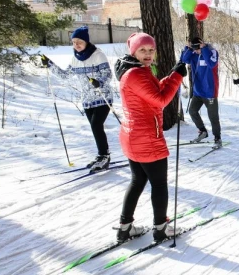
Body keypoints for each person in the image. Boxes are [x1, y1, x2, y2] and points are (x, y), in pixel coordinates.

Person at [113, 32, 187, 243]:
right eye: (142, 50)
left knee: (138, 181)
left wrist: (172, 74)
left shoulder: (136, 71)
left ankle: (125, 227)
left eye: (150, 50)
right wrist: (177, 77)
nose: (147, 54)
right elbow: (160, 99)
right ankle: (161, 228)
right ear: (133, 51)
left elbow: (151, 91)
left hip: (133, 136)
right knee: (159, 184)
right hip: (146, 137)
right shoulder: (136, 74)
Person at [40, 26, 114, 172]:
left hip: (102, 97)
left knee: (96, 125)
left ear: (86, 42)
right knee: (95, 128)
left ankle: (104, 156)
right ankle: (101, 155)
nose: (76, 45)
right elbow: (65, 75)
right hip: (87, 100)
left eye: (79, 42)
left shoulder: (98, 55)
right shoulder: (76, 58)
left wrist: (98, 81)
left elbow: (107, 74)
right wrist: (49, 64)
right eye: (74, 42)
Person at [180, 37, 222, 148]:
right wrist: (187, 48)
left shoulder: (212, 51)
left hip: (210, 92)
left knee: (213, 117)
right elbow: (184, 60)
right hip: (198, 91)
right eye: (194, 48)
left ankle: (217, 138)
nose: (196, 51)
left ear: (201, 45)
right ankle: (203, 131)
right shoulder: (193, 53)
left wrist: (204, 50)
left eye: (197, 48)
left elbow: (212, 64)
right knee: (192, 111)